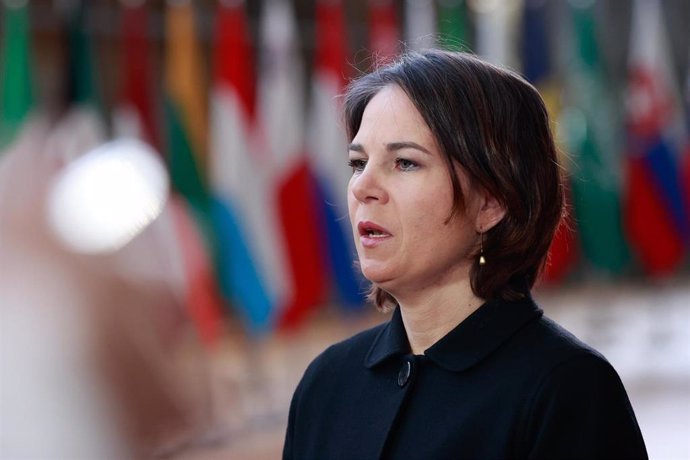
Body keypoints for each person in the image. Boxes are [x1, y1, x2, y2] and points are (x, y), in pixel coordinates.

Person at [283, 50, 647, 459]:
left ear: (491, 202)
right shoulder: (326, 383)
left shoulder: (567, 389)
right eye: (358, 162)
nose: (362, 187)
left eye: (404, 163)